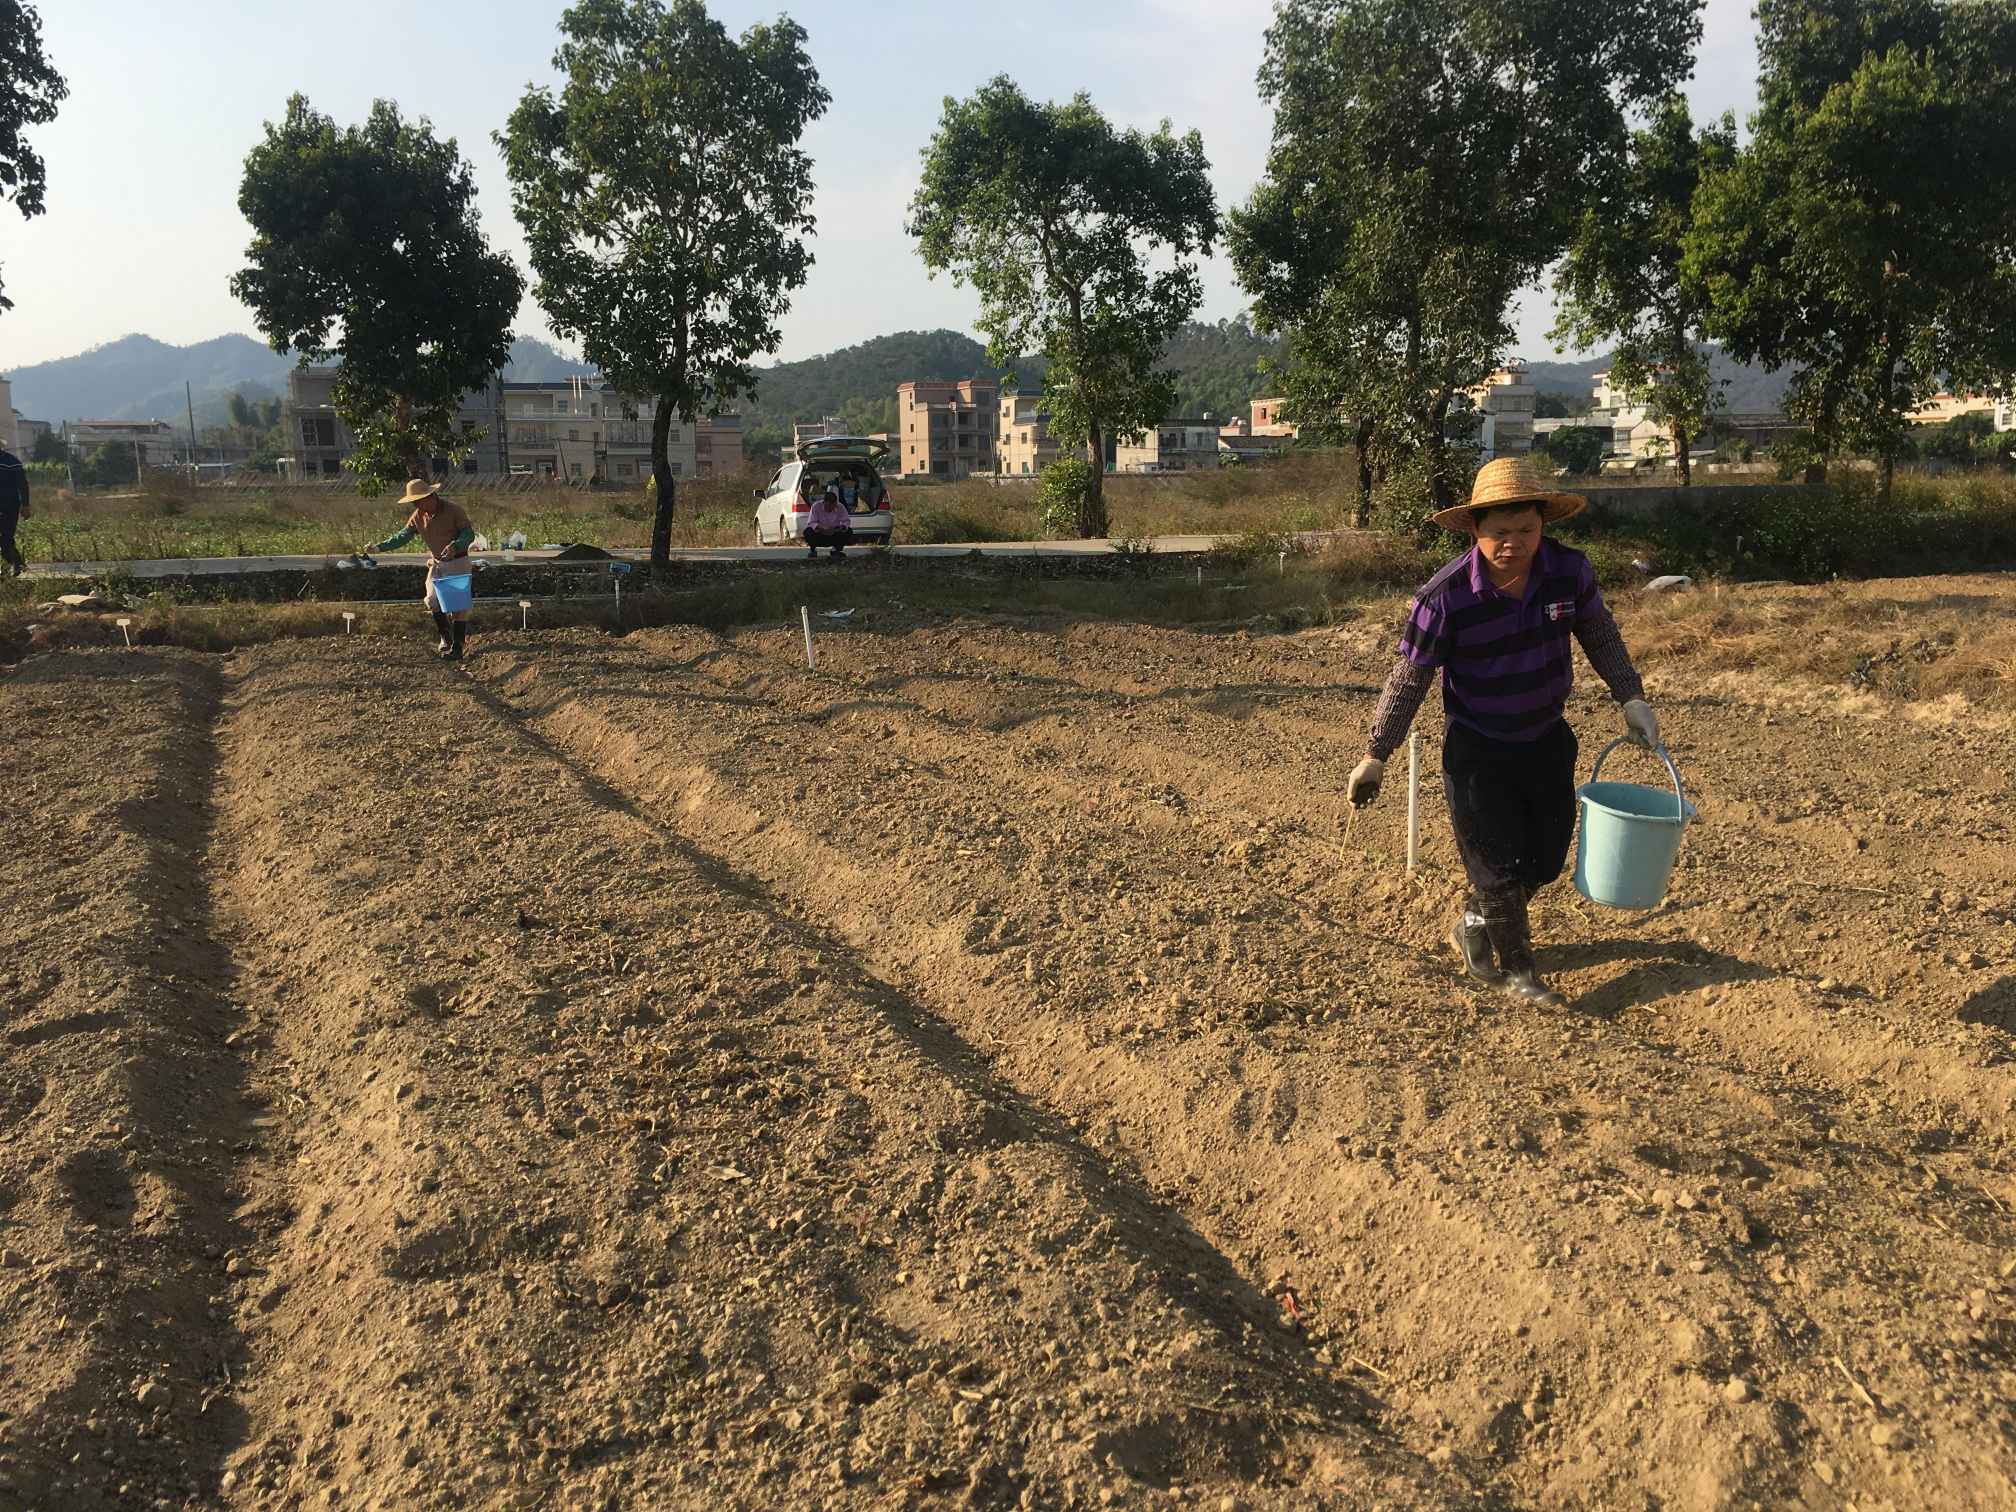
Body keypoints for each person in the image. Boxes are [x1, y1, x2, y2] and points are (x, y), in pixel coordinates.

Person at [1345, 457, 1660, 1006]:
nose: (1512, 543)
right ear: (1475, 529)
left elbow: (1601, 635)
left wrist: (1631, 697)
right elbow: (1410, 676)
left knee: (1545, 859)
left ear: (1543, 525)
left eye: (1525, 530)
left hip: (1546, 737)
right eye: (1498, 532)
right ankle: (1520, 972)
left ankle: (1475, 919)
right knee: (1496, 867)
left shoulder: (1569, 573)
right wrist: (1377, 753)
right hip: (1477, 749)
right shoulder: (1444, 598)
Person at [364, 478, 478, 661]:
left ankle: (457, 648)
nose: (417, 505)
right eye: (414, 503)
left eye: (419, 501)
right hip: (437, 563)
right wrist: (378, 548)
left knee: (458, 607)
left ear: (430, 496)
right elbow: (403, 535)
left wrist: (455, 545)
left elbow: (468, 533)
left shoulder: (453, 510)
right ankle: (445, 636)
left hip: (458, 562)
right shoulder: (418, 516)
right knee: (432, 600)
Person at [803, 483, 853, 560]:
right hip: (820, 533)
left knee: (849, 531)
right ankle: (813, 550)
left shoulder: (840, 507)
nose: (830, 509)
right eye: (828, 506)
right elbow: (811, 522)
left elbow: (846, 521)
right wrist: (822, 527)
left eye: (833, 506)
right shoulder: (816, 506)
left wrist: (841, 528)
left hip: (834, 533)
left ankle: (836, 550)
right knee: (808, 531)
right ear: (824, 502)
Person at [0, 443, 28, 577]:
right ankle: (16, 564)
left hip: (9, 506)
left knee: (6, 538)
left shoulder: (12, 462)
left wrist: (26, 505)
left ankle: (16, 564)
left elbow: (23, 485)